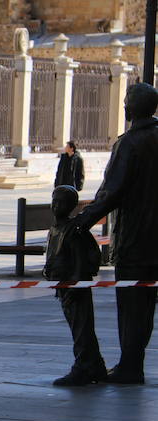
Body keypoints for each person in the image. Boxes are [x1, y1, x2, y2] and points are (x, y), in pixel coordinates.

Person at [72, 82, 158, 385]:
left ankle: (130, 367)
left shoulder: (130, 143)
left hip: (135, 238)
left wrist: (84, 219)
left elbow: (112, 192)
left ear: (130, 109)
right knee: (146, 306)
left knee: (132, 305)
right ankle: (133, 362)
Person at [44, 185, 106, 386]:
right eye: (54, 200)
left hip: (74, 287)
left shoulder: (74, 230)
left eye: (61, 202)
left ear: (71, 206)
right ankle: (94, 364)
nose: (55, 206)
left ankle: (84, 366)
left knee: (81, 327)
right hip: (63, 286)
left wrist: (76, 284)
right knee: (78, 326)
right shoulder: (56, 228)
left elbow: (81, 259)